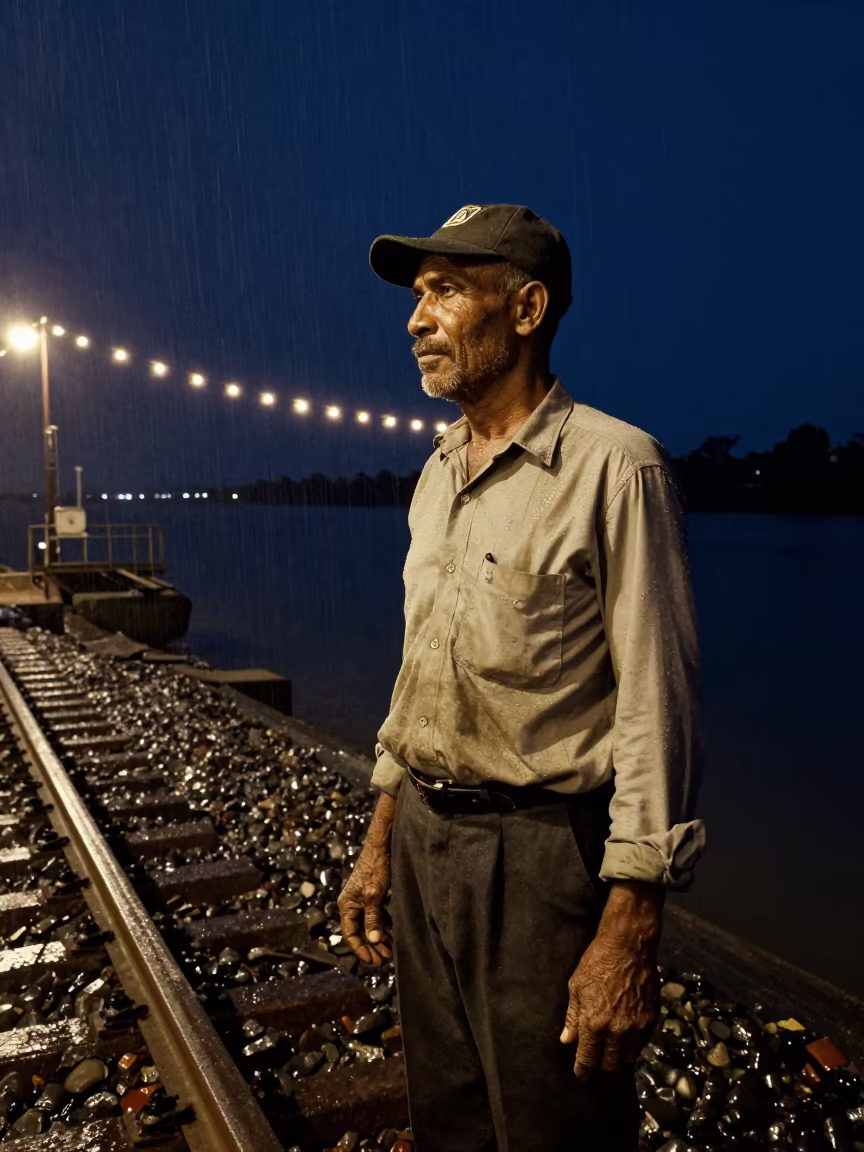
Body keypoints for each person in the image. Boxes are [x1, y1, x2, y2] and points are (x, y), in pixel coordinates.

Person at [338, 203, 706, 1151]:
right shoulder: (436, 473)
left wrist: (629, 926)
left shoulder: (617, 472)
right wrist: (382, 838)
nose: (416, 319)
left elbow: (658, 707)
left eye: (447, 291)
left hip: (540, 859)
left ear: (529, 308)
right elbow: (421, 674)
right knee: (449, 1115)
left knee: (553, 1125)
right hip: (424, 838)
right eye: (418, 297)